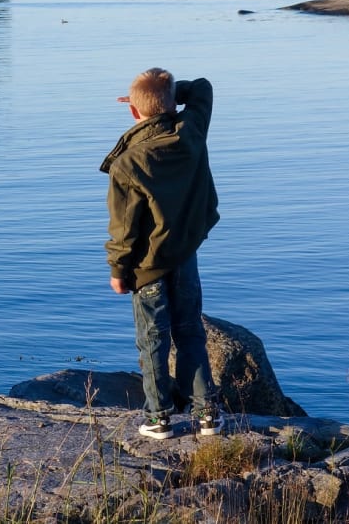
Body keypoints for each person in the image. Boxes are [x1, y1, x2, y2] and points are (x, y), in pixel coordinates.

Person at [100, 67, 224, 439]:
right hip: (185, 254)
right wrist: (169, 95)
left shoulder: (128, 163)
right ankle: (207, 417)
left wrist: (118, 270)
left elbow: (124, 227)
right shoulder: (190, 131)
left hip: (147, 267)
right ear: (172, 105)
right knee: (190, 332)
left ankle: (159, 418)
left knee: (153, 339)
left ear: (133, 112)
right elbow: (202, 88)